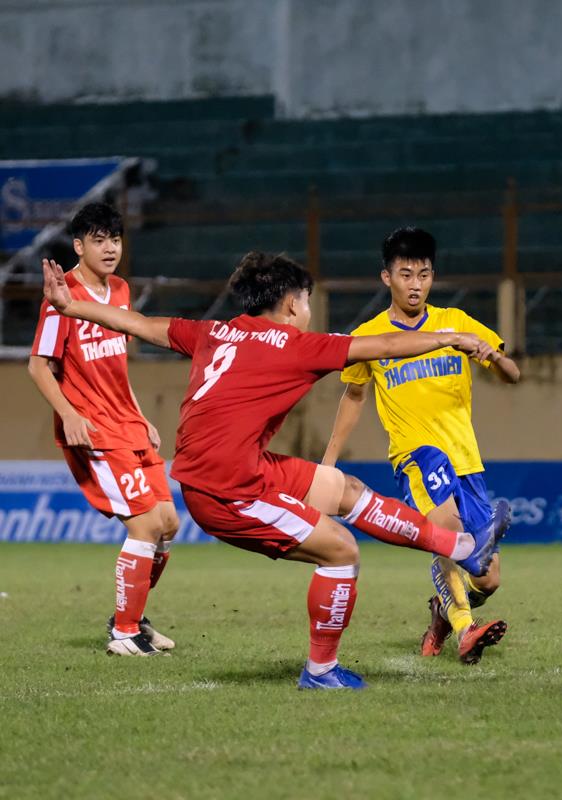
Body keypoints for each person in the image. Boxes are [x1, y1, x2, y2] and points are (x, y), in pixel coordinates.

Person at [42, 252, 508, 689]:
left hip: (229, 469)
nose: (308, 310)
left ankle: (464, 548)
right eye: (306, 301)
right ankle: (321, 670)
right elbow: (384, 344)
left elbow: (140, 324)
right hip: (228, 491)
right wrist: (450, 337)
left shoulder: (214, 331)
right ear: (290, 304)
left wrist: (71, 304)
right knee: (342, 551)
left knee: (343, 488)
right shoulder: (292, 345)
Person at [323, 227, 520, 665]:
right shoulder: (371, 337)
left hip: (466, 460)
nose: (416, 285)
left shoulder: (457, 323)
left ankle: (445, 613)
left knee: (488, 580)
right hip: (417, 455)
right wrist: (329, 462)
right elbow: (354, 396)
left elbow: (513, 374)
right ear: (386, 278)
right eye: (406, 274)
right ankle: (467, 632)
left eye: (425, 275)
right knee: (448, 531)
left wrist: (493, 356)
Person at [28, 203, 181, 656]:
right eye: (99, 239)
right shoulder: (62, 295)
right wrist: (71, 415)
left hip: (127, 423)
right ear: (79, 246)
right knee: (146, 524)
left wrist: (140, 414)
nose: (110, 247)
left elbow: (117, 367)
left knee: (169, 524)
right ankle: (125, 632)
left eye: (115, 238)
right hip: (94, 429)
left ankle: (127, 615)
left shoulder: (120, 290)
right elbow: (39, 367)